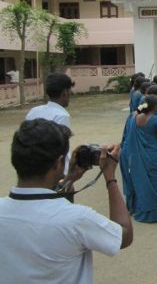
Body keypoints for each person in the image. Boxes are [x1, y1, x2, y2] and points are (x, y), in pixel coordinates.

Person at [0, 119, 133, 283]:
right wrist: (110, 177)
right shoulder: (77, 219)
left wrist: (69, 178)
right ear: (59, 163)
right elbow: (124, 235)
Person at [125, 95, 157, 222]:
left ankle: (145, 212)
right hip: (156, 156)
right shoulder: (156, 119)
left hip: (141, 156)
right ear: (155, 107)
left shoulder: (134, 118)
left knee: (144, 183)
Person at [26, 73, 75, 172]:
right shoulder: (61, 115)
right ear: (65, 92)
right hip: (50, 172)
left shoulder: (34, 111)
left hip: (31, 167)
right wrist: (66, 177)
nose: (71, 93)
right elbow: (61, 150)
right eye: (70, 90)